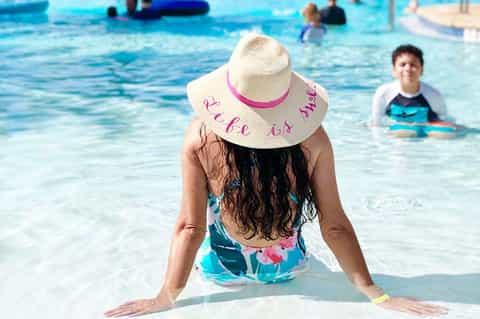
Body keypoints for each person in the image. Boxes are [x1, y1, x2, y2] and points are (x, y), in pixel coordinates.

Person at [104, 34, 448, 317]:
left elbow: (189, 228)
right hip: (287, 267)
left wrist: (166, 296)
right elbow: (335, 225)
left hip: (221, 270)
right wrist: (375, 293)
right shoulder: (313, 139)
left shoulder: (200, 137)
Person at [371, 44, 458, 138]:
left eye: (413, 65)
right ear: (394, 70)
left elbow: (444, 120)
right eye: (402, 65)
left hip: (427, 131)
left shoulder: (433, 95)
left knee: (445, 134)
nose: (408, 69)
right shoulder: (384, 93)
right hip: (399, 132)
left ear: (422, 70)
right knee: (403, 131)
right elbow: (376, 124)